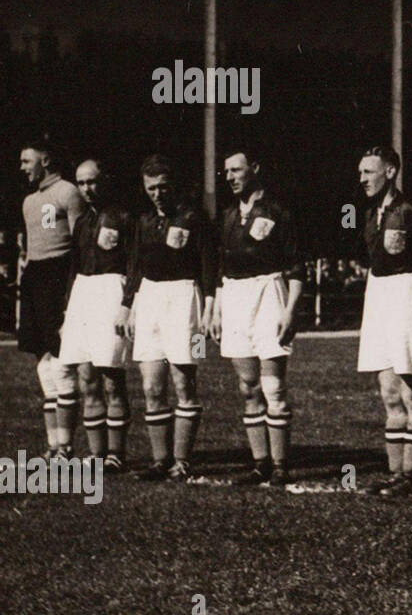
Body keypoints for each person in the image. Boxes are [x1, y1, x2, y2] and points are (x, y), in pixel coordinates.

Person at [117, 155, 218, 482]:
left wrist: (211, 307)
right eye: (151, 188)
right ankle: (160, 461)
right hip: (149, 300)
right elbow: (134, 265)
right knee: (150, 385)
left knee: (184, 380)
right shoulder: (143, 220)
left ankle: (182, 461)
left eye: (162, 187)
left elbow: (208, 264)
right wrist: (128, 305)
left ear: (172, 185)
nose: (157, 193)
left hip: (186, 298)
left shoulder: (193, 217)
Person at [212, 149, 304, 487]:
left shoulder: (278, 211)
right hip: (236, 297)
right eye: (227, 172)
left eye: (237, 169)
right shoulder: (226, 217)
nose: (231, 177)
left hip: (269, 293)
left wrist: (290, 310)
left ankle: (280, 465)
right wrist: (216, 308)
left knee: (273, 386)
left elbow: (296, 267)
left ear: (255, 168)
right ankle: (260, 464)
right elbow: (222, 270)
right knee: (248, 387)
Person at [354, 146, 412, 497]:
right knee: (388, 392)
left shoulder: (411, 212)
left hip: (407, 294)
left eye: (368, 172)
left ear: (389, 172)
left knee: (411, 392)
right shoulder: (370, 214)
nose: (362, 179)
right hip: (378, 295)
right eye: (360, 173)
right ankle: (395, 474)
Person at [59, 159, 133, 471]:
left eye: (92, 181)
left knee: (111, 377)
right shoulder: (81, 222)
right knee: (86, 377)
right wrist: (66, 312)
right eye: (82, 183)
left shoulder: (124, 217)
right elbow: (73, 270)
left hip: (111, 291)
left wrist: (127, 304)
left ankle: (116, 454)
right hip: (83, 295)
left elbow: (133, 266)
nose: (87, 188)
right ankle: (96, 454)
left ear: (105, 180)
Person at [19, 141, 88, 460]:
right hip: (34, 276)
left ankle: (67, 446)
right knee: (43, 362)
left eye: (26, 161)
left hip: (58, 273)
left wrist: (73, 289)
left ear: (45, 160)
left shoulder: (68, 192)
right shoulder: (29, 200)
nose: (22, 167)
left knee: (62, 361)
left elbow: (80, 244)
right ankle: (53, 445)